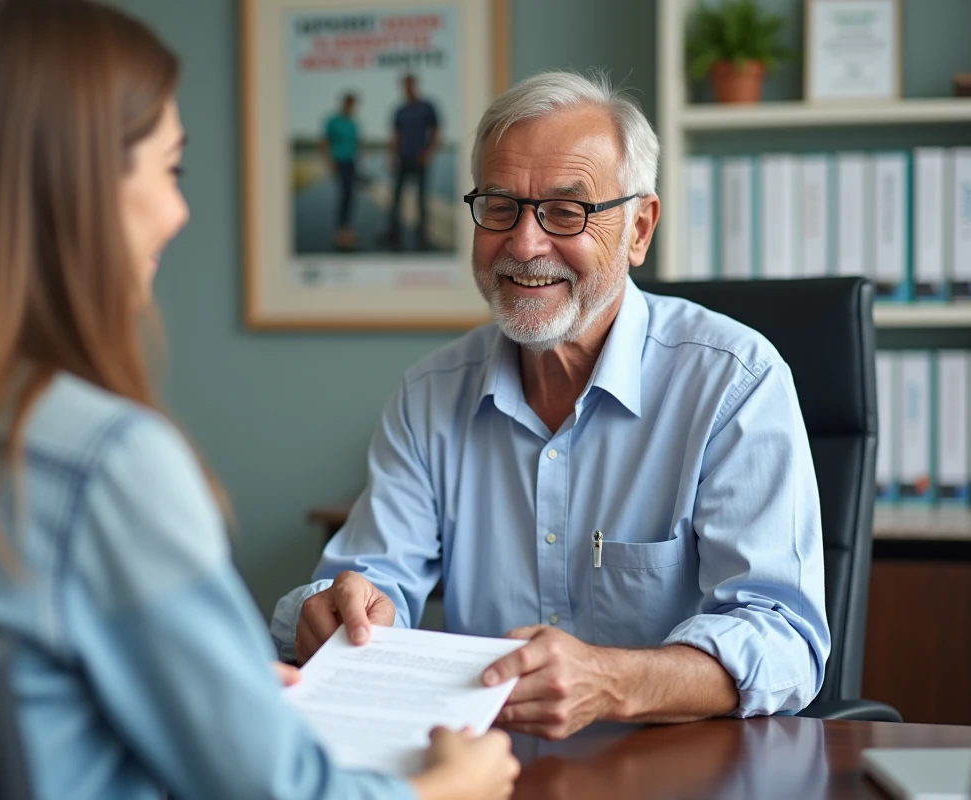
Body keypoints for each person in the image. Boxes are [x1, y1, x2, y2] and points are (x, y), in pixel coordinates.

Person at [0, 1, 519, 798]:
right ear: (74, 188)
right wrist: (445, 788)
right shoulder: (100, 468)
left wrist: (223, 696)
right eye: (170, 169)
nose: (179, 213)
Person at [273, 70, 830, 740]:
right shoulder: (429, 394)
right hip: (488, 773)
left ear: (639, 229)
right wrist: (338, 609)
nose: (525, 243)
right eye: (500, 206)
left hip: (678, 771)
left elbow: (783, 639)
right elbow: (371, 577)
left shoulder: (734, 383)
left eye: (567, 212)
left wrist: (612, 681)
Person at [383, 74, 439, 250]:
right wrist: (392, 156)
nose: (407, 88)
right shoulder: (400, 110)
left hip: (419, 158)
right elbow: (396, 135)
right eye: (404, 85)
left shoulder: (427, 106)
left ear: (415, 85)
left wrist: (429, 152)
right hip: (402, 158)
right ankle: (394, 233)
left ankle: (422, 236)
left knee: (421, 198)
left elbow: (436, 130)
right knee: (396, 198)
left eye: (409, 85)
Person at [321, 92, 360, 249]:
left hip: (351, 162)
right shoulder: (332, 121)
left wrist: (359, 162)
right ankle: (339, 231)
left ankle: (348, 228)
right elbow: (324, 142)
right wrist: (329, 162)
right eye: (349, 104)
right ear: (343, 103)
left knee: (351, 195)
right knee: (344, 195)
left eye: (353, 105)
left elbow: (356, 143)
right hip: (338, 161)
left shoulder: (353, 123)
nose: (351, 107)